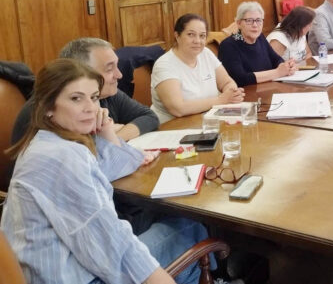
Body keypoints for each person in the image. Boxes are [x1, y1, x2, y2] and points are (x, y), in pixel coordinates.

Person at [2, 59, 214, 284]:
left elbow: (114, 166)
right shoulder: (62, 157)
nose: (90, 108)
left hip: (49, 269)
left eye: (94, 97)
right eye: (76, 98)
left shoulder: (47, 142)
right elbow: (111, 244)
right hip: (74, 277)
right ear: (48, 107)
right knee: (189, 227)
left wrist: (106, 131)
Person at [11, 38, 159, 144]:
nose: (119, 75)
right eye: (109, 69)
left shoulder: (105, 93)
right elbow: (79, 155)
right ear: (82, 71)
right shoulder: (46, 107)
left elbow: (149, 117)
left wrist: (115, 135)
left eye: (117, 66)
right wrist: (107, 136)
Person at [151, 13, 244, 123]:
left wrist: (232, 94)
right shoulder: (164, 65)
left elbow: (227, 82)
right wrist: (222, 100)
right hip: (173, 127)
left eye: (202, 36)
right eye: (191, 34)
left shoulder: (205, 53)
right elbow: (178, 109)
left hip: (208, 121)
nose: (197, 41)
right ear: (177, 36)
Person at [219, 2, 296, 86]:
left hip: (269, 87)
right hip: (247, 93)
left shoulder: (260, 38)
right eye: (249, 21)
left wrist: (286, 67)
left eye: (258, 20)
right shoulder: (228, 45)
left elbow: (276, 59)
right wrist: (277, 72)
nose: (255, 25)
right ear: (239, 23)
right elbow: (239, 79)